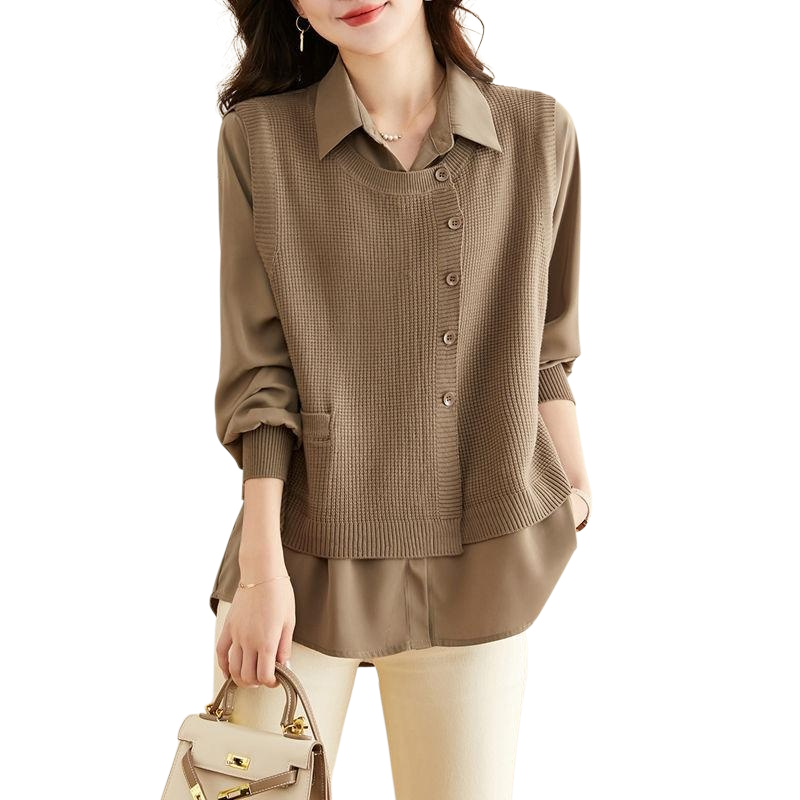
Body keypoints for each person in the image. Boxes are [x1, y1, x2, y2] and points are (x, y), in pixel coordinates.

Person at [209, 1, 593, 797]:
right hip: (302, 559)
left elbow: (545, 346)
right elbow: (260, 377)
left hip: (483, 551)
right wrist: (258, 574)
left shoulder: (538, 130)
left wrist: (576, 487)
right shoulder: (259, 141)